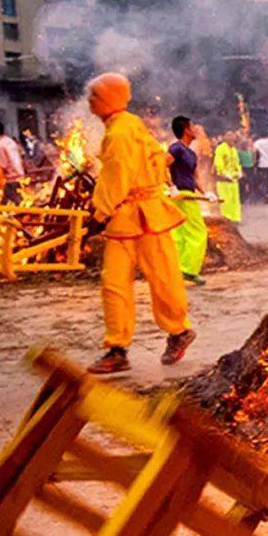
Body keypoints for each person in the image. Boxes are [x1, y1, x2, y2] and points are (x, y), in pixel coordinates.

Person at [86, 72, 195, 375]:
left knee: (138, 278)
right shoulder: (130, 124)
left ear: (109, 98)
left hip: (134, 212)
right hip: (139, 212)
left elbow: (116, 177)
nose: (90, 101)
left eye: (94, 95)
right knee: (136, 278)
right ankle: (119, 347)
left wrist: (98, 213)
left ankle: (171, 332)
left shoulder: (119, 132)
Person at [169, 114, 209, 285]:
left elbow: (195, 176)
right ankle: (189, 270)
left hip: (189, 193)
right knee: (198, 232)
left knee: (180, 234)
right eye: (192, 127)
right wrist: (171, 186)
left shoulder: (190, 153)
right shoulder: (176, 148)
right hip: (181, 195)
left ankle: (176, 269)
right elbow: (161, 165)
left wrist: (206, 193)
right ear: (186, 130)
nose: (195, 130)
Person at [0, 119, 25, 201]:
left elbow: (1, 166)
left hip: (10, 181)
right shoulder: (10, 141)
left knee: (12, 207)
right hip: (20, 178)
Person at [214, 130, 243, 223]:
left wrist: (239, 171)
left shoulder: (234, 150)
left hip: (234, 179)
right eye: (228, 135)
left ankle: (235, 218)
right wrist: (224, 173)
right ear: (224, 137)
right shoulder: (220, 148)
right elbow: (218, 163)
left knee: (235, 199)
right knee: (226, 200)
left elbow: (237, 163)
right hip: (224, 180)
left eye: (232, 135)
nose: (231, 137)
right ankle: (227, 218)